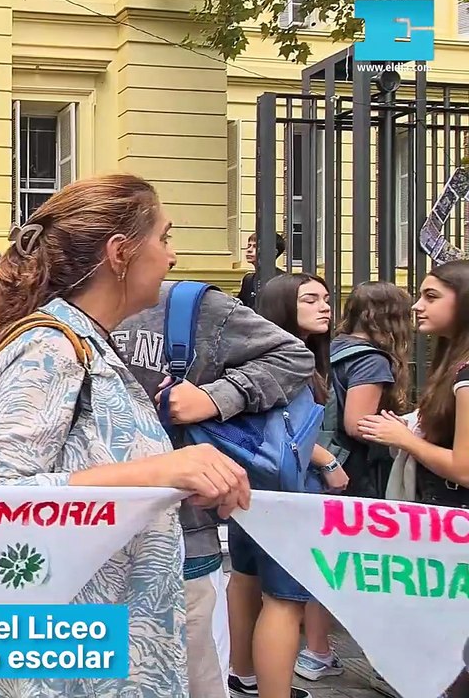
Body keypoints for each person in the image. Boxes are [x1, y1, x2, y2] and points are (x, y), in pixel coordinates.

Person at [0, 174, 250, 697]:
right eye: (164, 238)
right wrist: (157, 471)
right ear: (121, 252)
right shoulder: (50, 347)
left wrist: (175, 482)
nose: (173, 257)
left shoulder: (88, 341)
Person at [112, 273, 315, 698]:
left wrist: (217, 397)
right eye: (162, 238)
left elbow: (292, 357)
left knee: (193, 675)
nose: (169, 256)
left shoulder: (185, 305)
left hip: (182, 535)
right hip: (83, 540)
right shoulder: (51, 320)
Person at [226, 273, 346, 698]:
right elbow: (290, 432)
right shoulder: (292, 361)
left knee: (245, 578)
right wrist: (328, 459)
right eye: (311, 299)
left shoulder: (251, 356)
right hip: (290, 491)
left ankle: (244, 676)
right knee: (286, 597)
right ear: (282, 307)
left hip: (250, 488)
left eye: (327, 298)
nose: (325, 307)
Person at [359, 260, 469, 698]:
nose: (416, 307)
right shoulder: (453, 364)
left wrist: (404, 439)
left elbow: (464, 467)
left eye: (431, 296)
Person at [298, 280, 412, 682]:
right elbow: (356, 423)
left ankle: (316, 652)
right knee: (362, 567)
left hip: (323, 463)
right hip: (355, 470)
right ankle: (346, 655)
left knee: (325, 563)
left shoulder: (338, 347)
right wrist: (404, 431)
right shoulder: (372, 360)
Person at [237, 232, 286, 308]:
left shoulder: (283, 279)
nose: (249, 250)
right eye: (249, 246)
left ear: (273, 252)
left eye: (255, 246)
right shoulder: (248, 279)